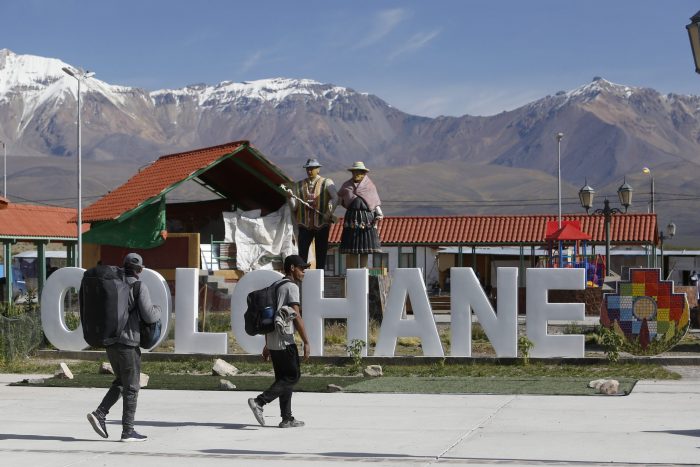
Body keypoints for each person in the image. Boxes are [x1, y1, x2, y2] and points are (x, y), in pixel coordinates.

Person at [87, 253, 161, 442]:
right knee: (132, 388)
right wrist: (158, 310)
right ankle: (128, 431)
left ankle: (100, 413)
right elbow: (150, 316)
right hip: (128, 343)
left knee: (122, 381)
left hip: (110, 342)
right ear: (140, 270)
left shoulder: (113, 284)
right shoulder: (138, 286)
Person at [248, 254, 311, 428]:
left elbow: (269, 316)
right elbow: (296, 316)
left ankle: (286, 418)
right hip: (285, 340)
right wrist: (306, 341)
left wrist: (268, 344)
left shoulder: (275, 286)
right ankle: (259, 402)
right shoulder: (291, 287)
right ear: (292, 268)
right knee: (293, 376)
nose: (304, 272)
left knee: (283, 380)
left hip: (274, 342)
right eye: (302, 268)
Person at [286, 158, 338, 270]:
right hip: (304, 224)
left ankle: (320, 274)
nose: (309, 171)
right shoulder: (298, 185)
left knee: (321, 251)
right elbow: (294, 207)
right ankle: (302, 273)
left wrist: (329, 213)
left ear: (318, 169)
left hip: (322, 224)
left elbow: (335, 198)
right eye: (308, 169)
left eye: (312, 169)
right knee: (302, 252)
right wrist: (290, 198)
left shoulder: (327, 183)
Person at [337, 161, 383, 268]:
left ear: (364, 173)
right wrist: (331, 208)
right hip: (351, 219)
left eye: (359, 172)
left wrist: (378, 212)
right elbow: (339, 199)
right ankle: (352, 270)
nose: (357, 174)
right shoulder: (346, 186)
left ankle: (363, 270)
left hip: (367, 219)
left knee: (364, 245)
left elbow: (374, 201)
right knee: (352, 247)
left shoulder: (370, 186)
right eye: (355, 172)